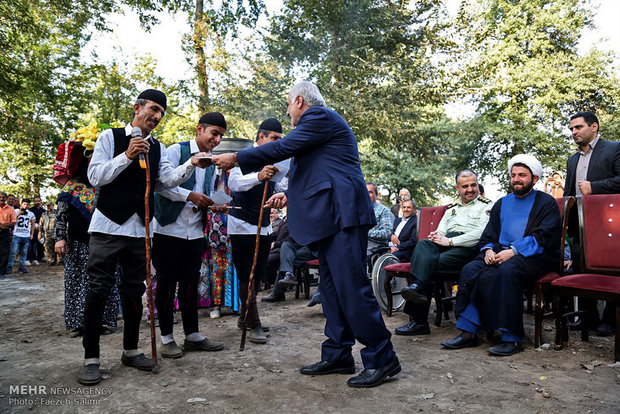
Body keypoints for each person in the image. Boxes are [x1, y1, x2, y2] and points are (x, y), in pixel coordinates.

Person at [212, 81, 400, 388]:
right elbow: (315, 174)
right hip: (329, 219)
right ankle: (338, 353)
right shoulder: (316, 134)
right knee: (331, 290)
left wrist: (238, 158)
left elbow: (283, 148)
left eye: (288, 105)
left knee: (351, 288)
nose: (287, 113)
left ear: (300, 100)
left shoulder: (320, 117)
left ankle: (382, 356)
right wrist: (289, 196)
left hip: (342, 217)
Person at [77, 89, 211, 385]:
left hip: (141, 230)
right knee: (98, 289)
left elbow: (164, 183)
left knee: (134, 291)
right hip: (108, 227)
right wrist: (126, 155)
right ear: (137, 108)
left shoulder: (158, 148)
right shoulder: (110, 137)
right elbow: (95, 177)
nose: (157, 116)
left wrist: (190, 165)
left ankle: (131, 349)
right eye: (153, 109)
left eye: (161, 113)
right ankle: (91, 358)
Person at [441, 155, 560, 356]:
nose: (516, 179)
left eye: (522, 175)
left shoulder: (546, 203)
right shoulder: (501, 203)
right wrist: (488, 251)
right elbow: (489, 233)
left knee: (505, 271)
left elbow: (544, 237)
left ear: (535, 178)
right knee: (472, 268)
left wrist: (512, 252)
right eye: (513, 175)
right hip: (499, 253)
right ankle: (469, 331)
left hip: (534, 256)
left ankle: (511, 337)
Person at [152, 112, 227, 358]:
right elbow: (162, 184)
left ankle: (192, 335)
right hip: (167, 228)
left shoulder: (213, 162)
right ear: (199, 129)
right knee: (165, 284)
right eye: (213, 133)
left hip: (195, 231)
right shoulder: (176, 151)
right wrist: (189, 195)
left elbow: (206, 190)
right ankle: (166, 338)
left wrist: (213, 202)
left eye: (220, 136)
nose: (216, 140)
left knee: (190, 283)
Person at [396, 170, 492, 336]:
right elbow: (441, 231)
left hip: (467, 248)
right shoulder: (451, 209)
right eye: (465, 186)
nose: (470, 189)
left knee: (425, 265)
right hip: (445, 245)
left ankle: (418, 319)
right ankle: (417, 289)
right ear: (457, 188)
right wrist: (436, 236)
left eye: (473, 185)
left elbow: (480, 234)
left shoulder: (487, 206)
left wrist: (451, 241)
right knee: (424, 244)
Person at [227, 118, 287, 344]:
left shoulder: (277, 160)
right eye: (274, 138)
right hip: (241, 223)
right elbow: (234, 184)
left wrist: (283, 194)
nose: (277, 143)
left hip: (263, 224)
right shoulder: (242, 156)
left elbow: (280, 186)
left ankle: (245, 315)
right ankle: (254, 323)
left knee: (259, 274)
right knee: (246, 275)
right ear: (261, 137)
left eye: (280, 140)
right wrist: (258, 176)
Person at [563, 111, 620, 336]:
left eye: (578, 127)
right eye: (572, 129)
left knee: (612, 270)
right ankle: (588, 318)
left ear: (594, 127)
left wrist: (595, 187)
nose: (574, 132)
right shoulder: (573, 159)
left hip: (610, 224)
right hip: (580, 225)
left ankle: (610, 320)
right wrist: (565, 219)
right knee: (579, 266)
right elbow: (569, 192)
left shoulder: (615, 148)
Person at [54, 158, 121, 338]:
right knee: (77, 282)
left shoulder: (109, 181)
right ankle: (77, 323)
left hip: (106, 242)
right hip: (78, 243)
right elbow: (61, 213)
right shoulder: (73, 185)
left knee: (105, 281)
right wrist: (60, 238)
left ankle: (101, 322)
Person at [262, 238, 317, 302]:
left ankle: (278, 293)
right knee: (286, 245)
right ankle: (288, 274)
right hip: (301, 243)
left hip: (314, 247)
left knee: (287, 259)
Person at [7, 198, 35, 274]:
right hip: (17, 235)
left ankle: (22, 267)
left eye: (27, 204)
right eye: (24, 204)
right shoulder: (15, 211)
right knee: (13, 252)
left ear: (29, 205)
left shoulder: (31, 213)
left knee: (24, 253)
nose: (26, 206)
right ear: (21, 204)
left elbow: (32, 224)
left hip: (26, 235)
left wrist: (31, 234)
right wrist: (19, 213)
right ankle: (9, 267)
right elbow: (11, 221)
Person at [366, 182, 395, 257]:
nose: (366, 195)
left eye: (370, 192)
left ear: (377, 194)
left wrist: (366, 232)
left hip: (375, 246)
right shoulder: (357, 210)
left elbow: (387, 233)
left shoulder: (384, 211)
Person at [0, 192, 17, 279]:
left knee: (4, 252)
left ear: (6, 199)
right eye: (0, 197)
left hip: (5, 232)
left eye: (3, 197)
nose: (1, 199)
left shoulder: (10, 209)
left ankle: (2, 272)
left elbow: (14, 221)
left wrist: (3, 225)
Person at [27, 196, 45, 265]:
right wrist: (34, 226)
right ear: (34, 202)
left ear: (41, 202)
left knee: (40, 243)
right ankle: (31, 257)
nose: (37, 202)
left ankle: (40, 257)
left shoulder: (43, 211)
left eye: (38, 201)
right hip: (33, 228)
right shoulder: (30, 210)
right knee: (32, 243)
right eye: (36, 201)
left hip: (41, 229)